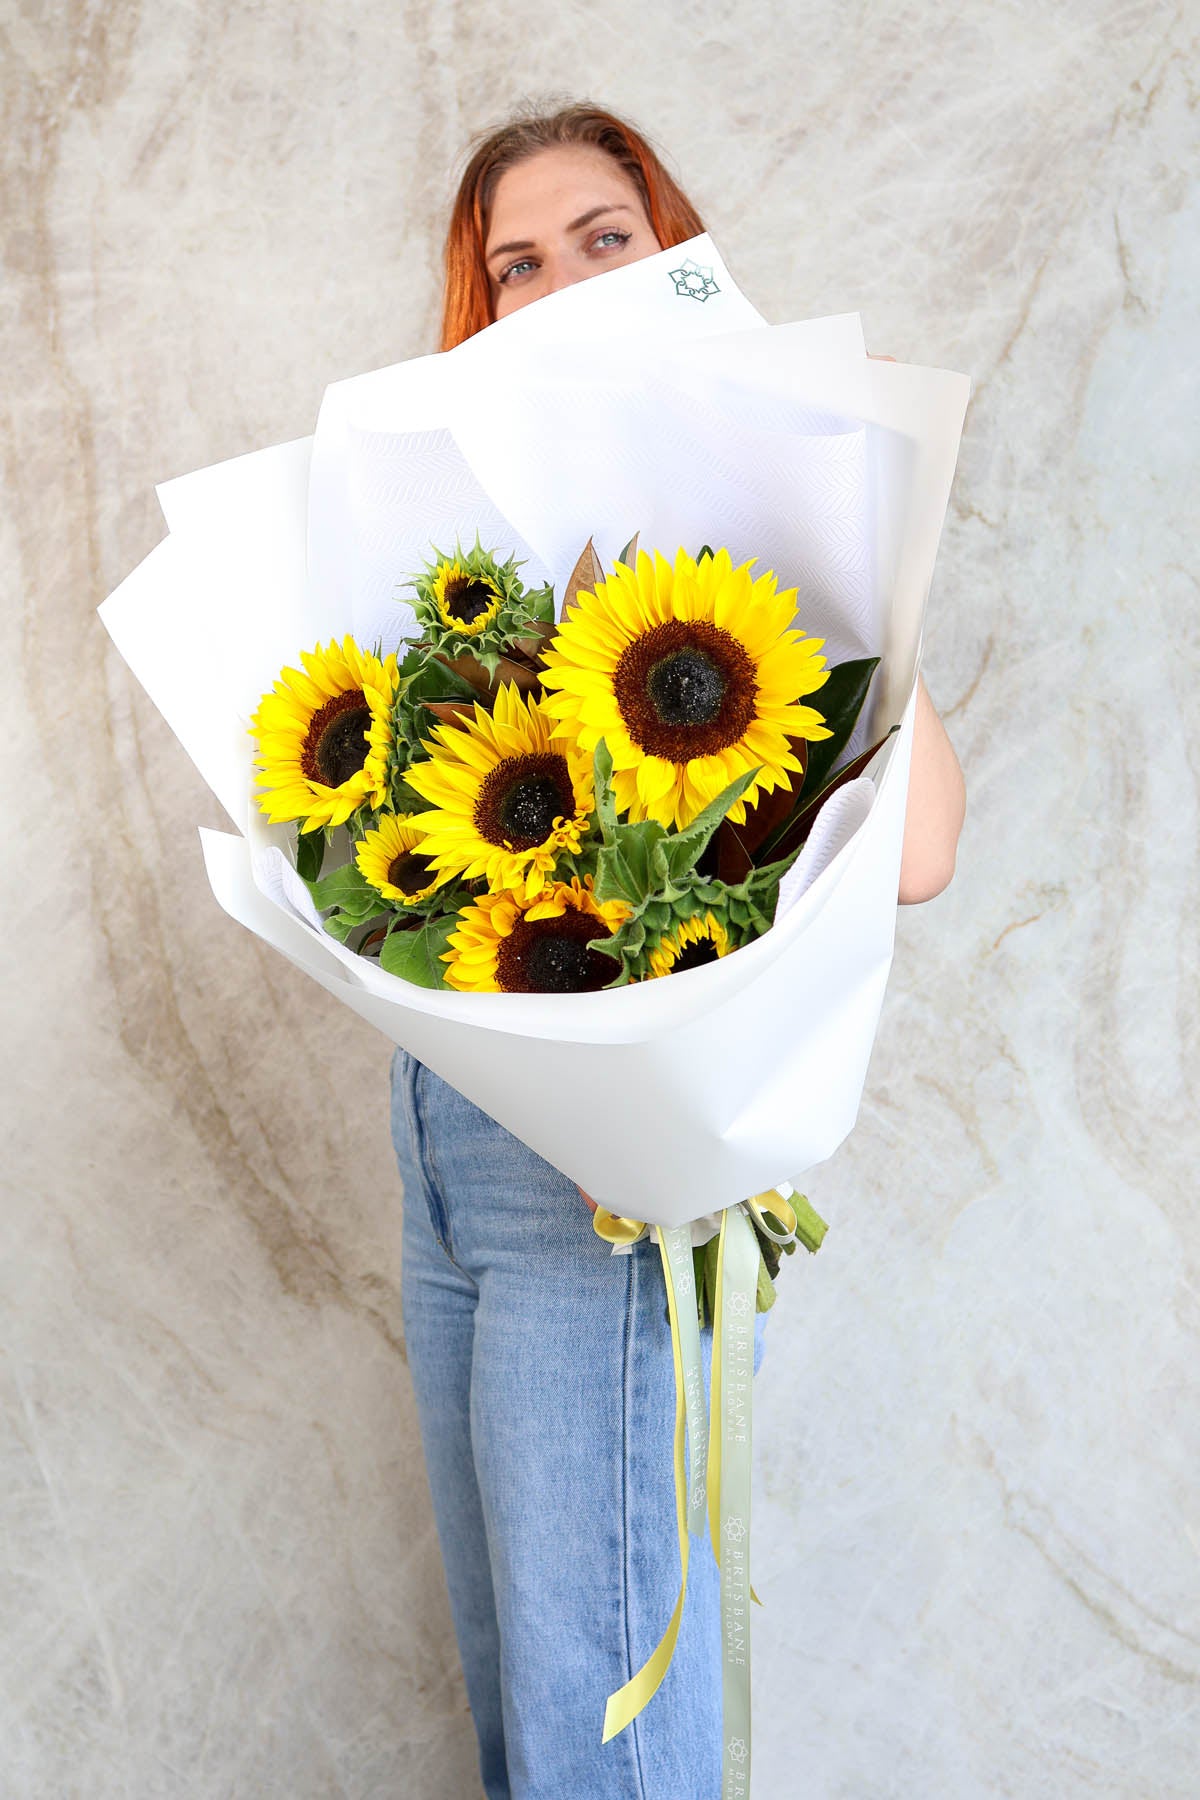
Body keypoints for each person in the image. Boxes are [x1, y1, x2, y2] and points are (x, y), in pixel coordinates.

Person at [390, 102, 966, 1800]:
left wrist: (800, 486)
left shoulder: (763, 522)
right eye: (515, 264)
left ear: (677, 254)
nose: (558, 280)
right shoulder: (459, 540)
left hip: (616, 1167)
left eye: (601, 237)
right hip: (447, 1127)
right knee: (518, 1684)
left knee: (600, 1715)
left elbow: (918, 852)